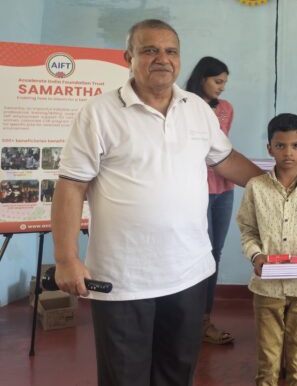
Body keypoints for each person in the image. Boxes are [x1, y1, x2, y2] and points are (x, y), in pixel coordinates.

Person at [51, 19, 263, 386]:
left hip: (188, 273)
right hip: (122, 279)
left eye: (171, 51)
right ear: (128, 58)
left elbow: (225, 160)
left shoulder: (197, 108)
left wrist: (279, 187)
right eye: (150, 50)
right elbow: (71, 186)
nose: (162, 58)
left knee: (176, 374)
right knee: (124, 378)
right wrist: (66, 259)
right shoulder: (99, 112)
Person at [236, 113, 297, 386]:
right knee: (268, 361)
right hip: (267, 287)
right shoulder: (256, 187)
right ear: (269, 148)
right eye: (280, 145)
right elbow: (247, 230)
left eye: (295, 145)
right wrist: (256, 255)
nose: (288, 152)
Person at [185, 55, 235, 345]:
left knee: (214, 254)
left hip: (224, 189)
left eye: (224, 82)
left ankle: (204, 320)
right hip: (195, 190)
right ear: (202, 78)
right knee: (195, 254)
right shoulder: (183, 106)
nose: (222, 87)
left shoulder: (225, 108)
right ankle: (186, 321)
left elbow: (222, 150)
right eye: (217, 81)